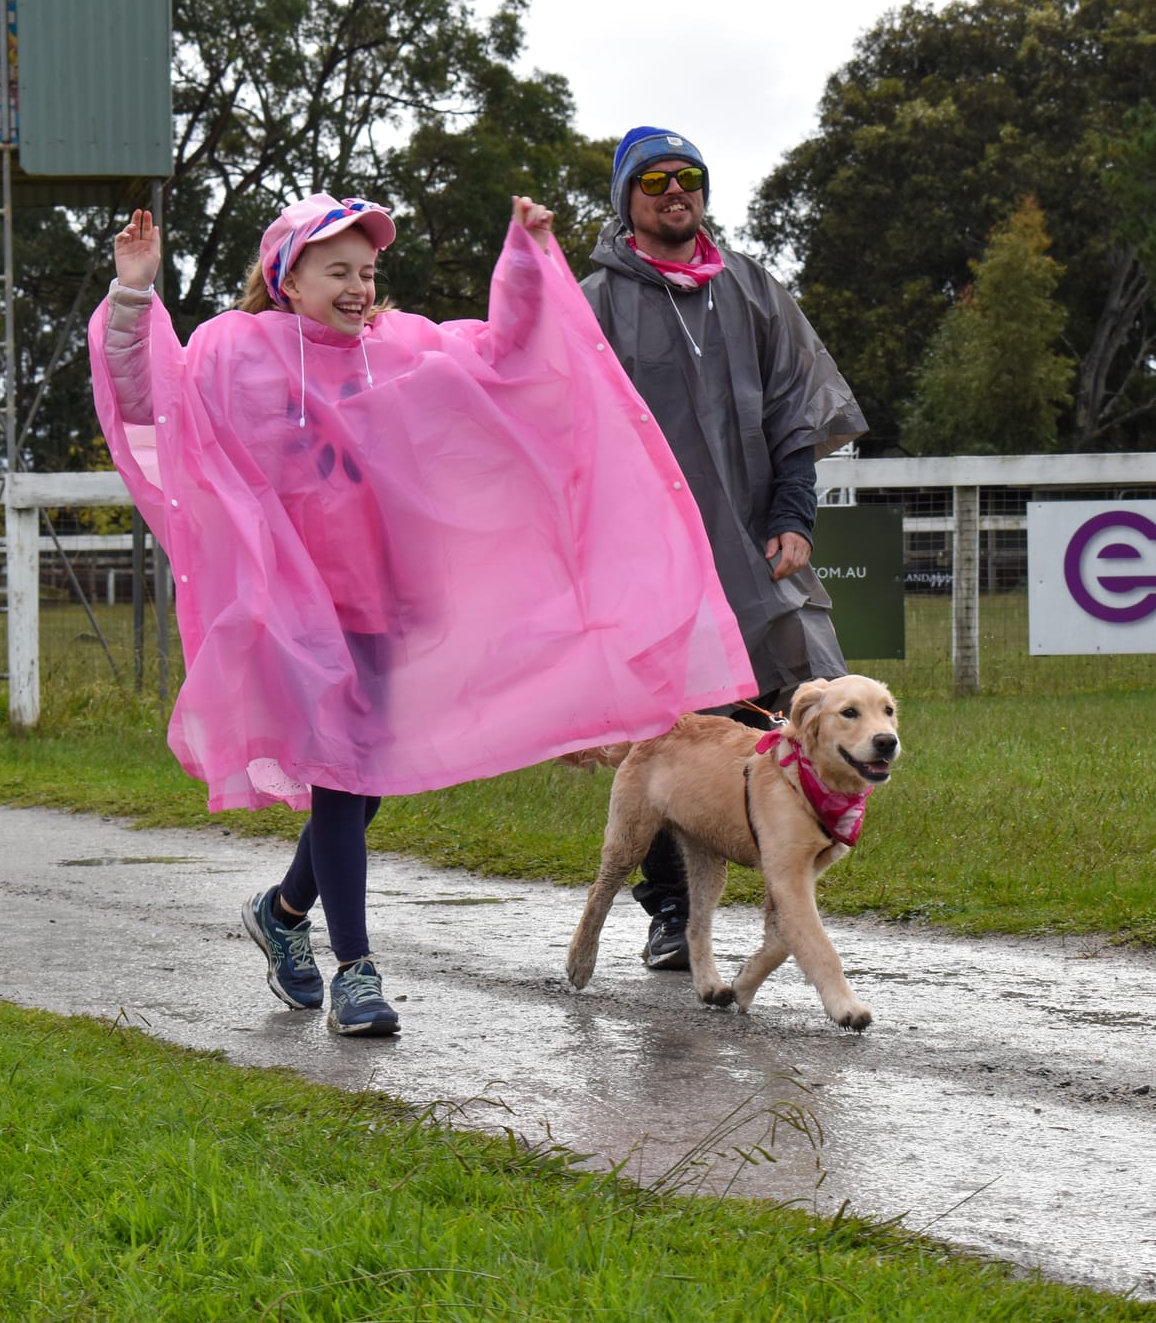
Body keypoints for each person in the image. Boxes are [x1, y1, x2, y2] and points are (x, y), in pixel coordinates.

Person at [90, 193, 756, 1037]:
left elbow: (511, 356)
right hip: (296, 611)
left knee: (363, 787)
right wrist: (134, 295)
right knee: (343, 782)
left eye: (368, 272)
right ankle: (356, 972)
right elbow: (151, 399)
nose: (360, 287)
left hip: (387, 608)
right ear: (285, 279)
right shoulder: (237, 351)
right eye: (338, 271)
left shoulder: (400, 351)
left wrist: (523, 250)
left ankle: (285, 910)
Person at [580, 127, 867, 971]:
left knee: (789, 705)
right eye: (655, 179)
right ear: (626, 199)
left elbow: (794, 412)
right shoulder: (595, 302)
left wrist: (794, 514)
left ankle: (789, 889)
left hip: (756, 548)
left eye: (690, 176)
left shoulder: (751, 289)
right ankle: (670, 910)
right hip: (648, 562)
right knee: (665, 733)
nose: (676, 191)